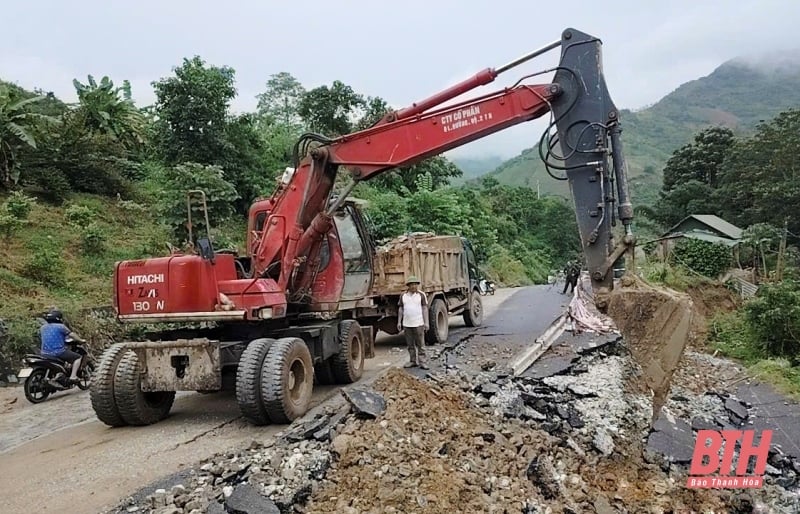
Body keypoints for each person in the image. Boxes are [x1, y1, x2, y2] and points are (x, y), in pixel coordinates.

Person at [40, 308, 83, 386]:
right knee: (77, 358)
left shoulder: (43, 328)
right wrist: (81, 340)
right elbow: (72, 335)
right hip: (58, 352)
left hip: (44, 353)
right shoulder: (61, 326)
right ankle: (73, 376)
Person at [397, 276, 430, 369]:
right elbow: (400, 308)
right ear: (408, 286)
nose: (414, 286)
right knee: (410, 344)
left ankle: (422, 361)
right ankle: (412, 361)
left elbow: (424, 308)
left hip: (418, 323)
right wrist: (399, 322)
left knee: (421, 344)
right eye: (412, 284)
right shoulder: (403, 295)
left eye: (415, 284)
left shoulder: (421, 295)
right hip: (407, 324)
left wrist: (426, 322)